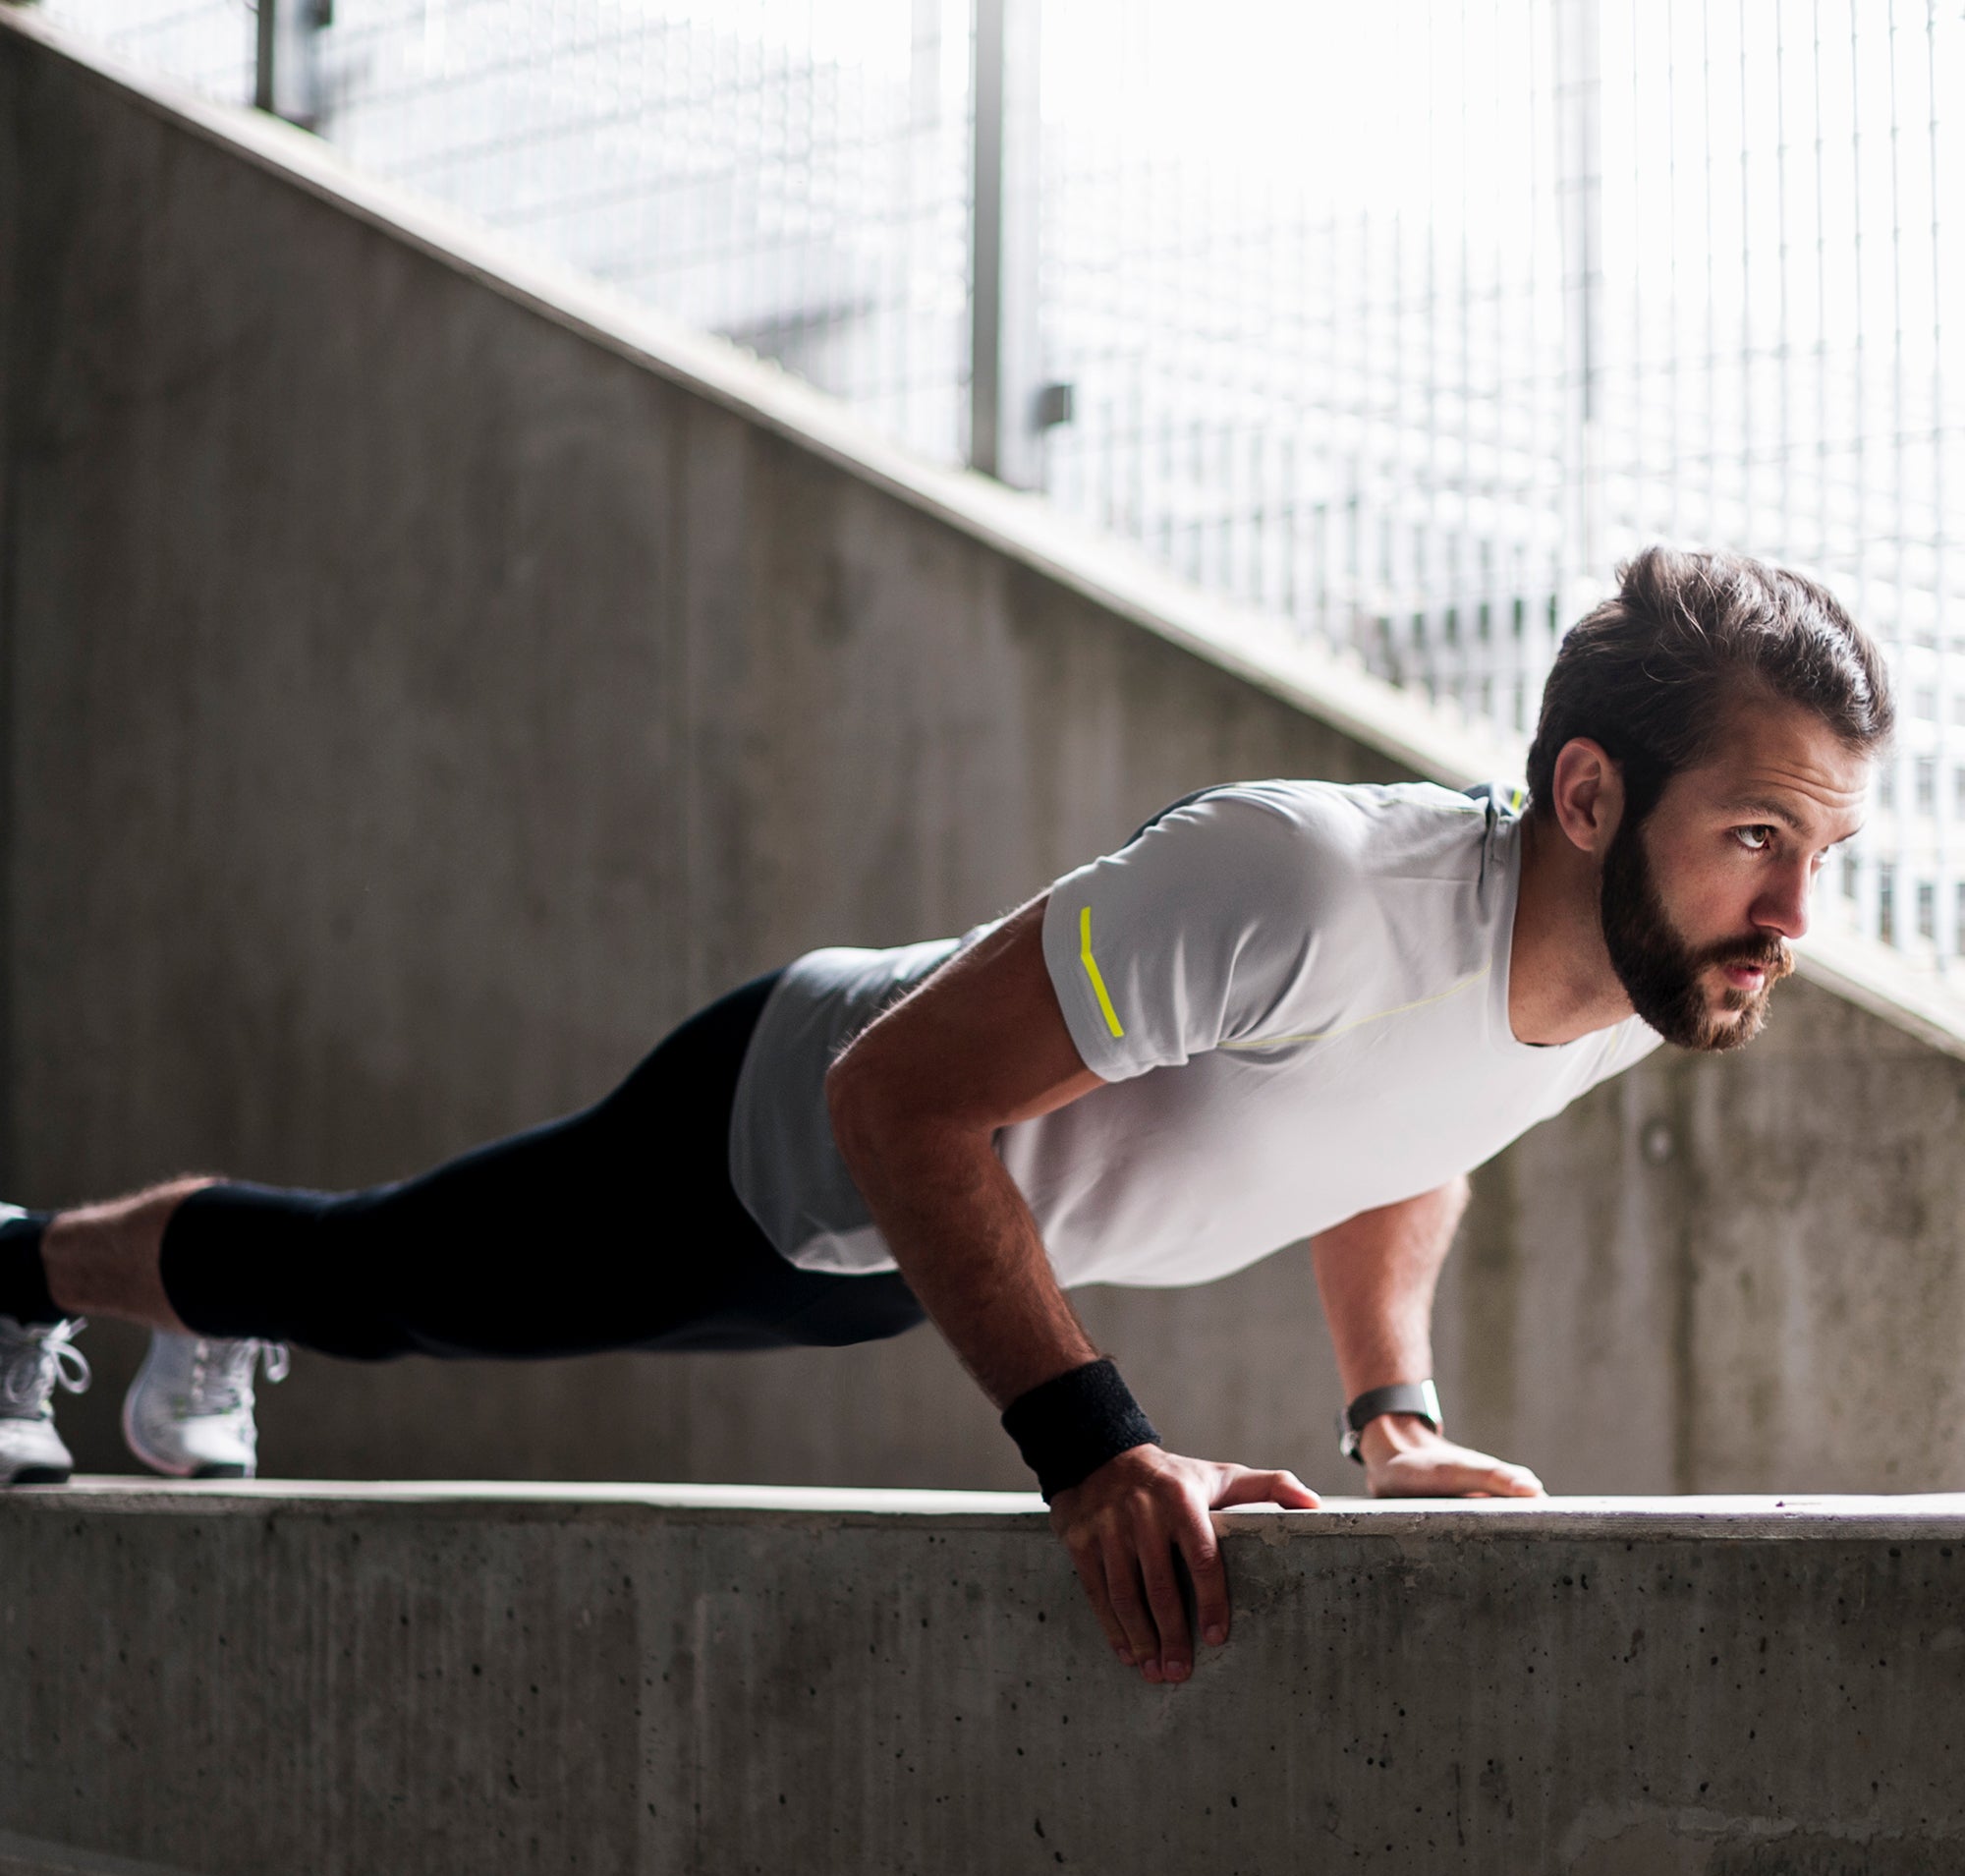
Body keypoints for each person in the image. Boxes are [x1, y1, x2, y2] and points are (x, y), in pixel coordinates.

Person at [0, 546, 1888, 1684]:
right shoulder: (1307, 887)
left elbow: (1416, 1128)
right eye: (1756, 839)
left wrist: (1390, 1420)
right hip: (795, 1139)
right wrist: (1096, 1452)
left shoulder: (1655, 973)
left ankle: (190, 1324)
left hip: (933, 1245)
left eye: (1824, 856)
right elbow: (894, 1091)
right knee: (386, 1279)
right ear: (1584, 796)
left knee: (381, 1278)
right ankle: (27, 1277)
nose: (1794, 919)